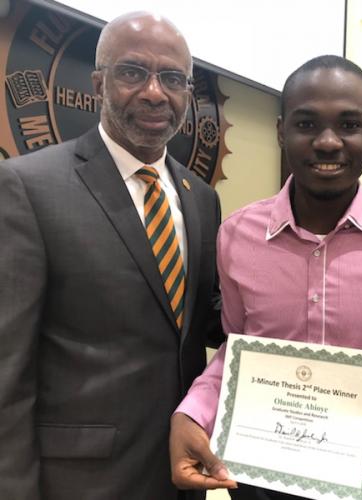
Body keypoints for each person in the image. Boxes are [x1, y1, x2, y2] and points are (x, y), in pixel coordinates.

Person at [169, 55, 362, 499]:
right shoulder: (236, 236)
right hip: (261, 477)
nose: (329, 142)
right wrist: (192, 412)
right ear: (282, 131)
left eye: (350, 124)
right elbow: (238, 346)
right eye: (307, 124)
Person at [0, 12, 223, 500]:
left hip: (180, 471)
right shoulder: (28, 187)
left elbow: (206, 319)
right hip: (79, 482)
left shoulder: (200, 197)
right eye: (132, 72)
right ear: (99, 82)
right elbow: (7, 370)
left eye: (171, 78)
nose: (154, 92)